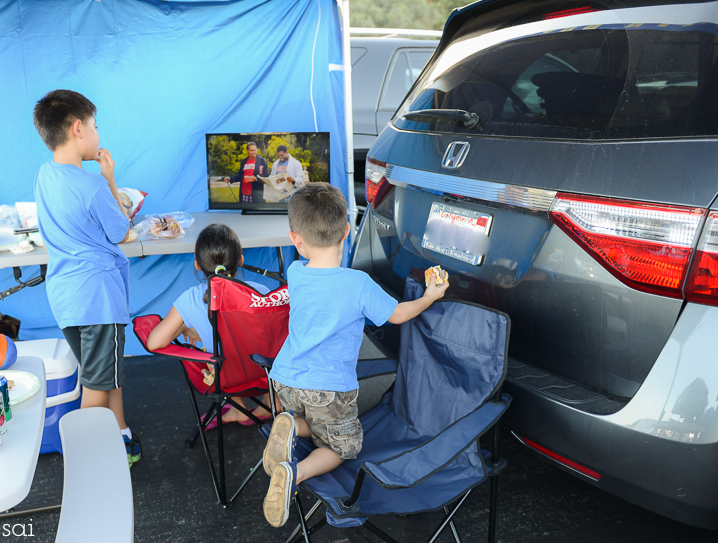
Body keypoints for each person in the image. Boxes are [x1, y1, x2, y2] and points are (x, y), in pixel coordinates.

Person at [261, 182, 449, 528]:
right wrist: (429, 297)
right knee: (342, 447)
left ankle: (291, 425)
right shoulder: (357, 284)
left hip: (284, 381)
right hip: (328, 391)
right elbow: (398, 315)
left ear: (295, 240)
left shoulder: (296, 273)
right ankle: (295, 472)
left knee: (314, 422)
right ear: (348, 230)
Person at [32, 89, 142, 467]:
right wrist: (110, 179)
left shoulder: (45, 174)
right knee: (96, 384)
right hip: (97, 299)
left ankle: (120, 433)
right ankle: (86, 465)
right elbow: (122, 232)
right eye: (95, 126)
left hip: (66, 297)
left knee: (104, 372)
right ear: (78, 128)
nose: (98, 133)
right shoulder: (92, 185)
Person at [148, 223, 274, 426]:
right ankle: (271, 402)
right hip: (265, 372)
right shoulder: (263, 292)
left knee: (217, 354)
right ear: (241, 261)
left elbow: (154, 342)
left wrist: (184, 328)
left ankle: (237, 408)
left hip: (226, 380)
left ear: (197, 265)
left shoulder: (189, 300)